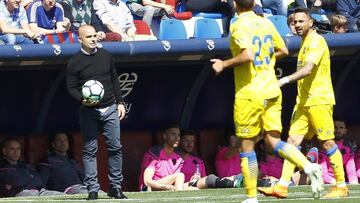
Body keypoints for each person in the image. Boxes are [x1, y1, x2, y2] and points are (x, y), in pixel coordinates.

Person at [211, 1, 323, 202]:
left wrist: (223, 64)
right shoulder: (265, 22)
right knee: (273, 141)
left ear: (235, 4)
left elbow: (248, 55)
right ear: (254, 3)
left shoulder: (237, 24)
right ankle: (307, 165)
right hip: (271, 88)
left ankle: (251, 196)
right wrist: (268, 61)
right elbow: (284, 50)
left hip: (250, 92)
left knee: (247, 146)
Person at [259, 7, 348, 198]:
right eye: (294, 22)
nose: (297, 25)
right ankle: (282, 186)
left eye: (301, 21)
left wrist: (282, 80)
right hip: (303, 103)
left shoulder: (316, 41)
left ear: (311, 22)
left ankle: (341, 186)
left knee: (327, 143)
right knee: (291, 142)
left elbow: (308, 70)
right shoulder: (304, 42)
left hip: (318, 100)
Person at [66, 24, 127, 200]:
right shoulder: (74, 62)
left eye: (94, 36)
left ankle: (115, 187)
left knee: (116, 148)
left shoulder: (106, 56)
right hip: (89, 111)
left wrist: (120, 102)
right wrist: (82, 99)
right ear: (80, 40)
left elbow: (115, 80)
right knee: (90, 150)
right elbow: (71, 88)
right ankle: (92, 189)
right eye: (89, 37)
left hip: (110, 108)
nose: (93, 39)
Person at [179, 129, 243, 189]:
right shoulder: (222, 151)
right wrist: (245, 139)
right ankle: (235, 183)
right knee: (210, 179)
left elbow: (203, 178)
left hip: (237, 177)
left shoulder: (198, 161)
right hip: (225, 181)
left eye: (192, 141)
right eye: (186, 140)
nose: (190, 144)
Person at [138, 124, 186, 191]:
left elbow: (176, 182)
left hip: (167, 187)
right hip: (148, 188)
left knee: (194, 188)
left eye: (178, 135)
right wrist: (164, 187)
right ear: (165, 136)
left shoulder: (179, 158)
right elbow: (147, 181)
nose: (177, 138)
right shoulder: (154, 153)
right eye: (173, 134)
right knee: (180, 175)